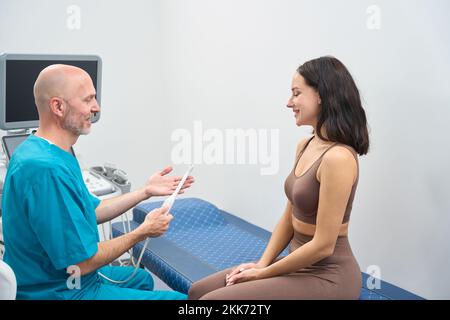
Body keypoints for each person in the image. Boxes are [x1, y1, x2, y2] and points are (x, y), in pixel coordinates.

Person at [2, 64, 194, 300]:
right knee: (183, 302)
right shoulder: (46, 169)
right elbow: (82, 263)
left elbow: (91, 211)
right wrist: (142, 232)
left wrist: (145, 191)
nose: (96, 108)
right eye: (88, 99)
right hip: (61, 291)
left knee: (142, 279)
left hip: (61, 279)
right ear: (58, 106)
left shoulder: (46, 150)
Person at [188, 56, 369, 300]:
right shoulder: (305, 145)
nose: (289, 102)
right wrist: (262, 264)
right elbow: (288, 218)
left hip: (329, 276)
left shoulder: (338, 158)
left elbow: (324, 245)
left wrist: (264, 274)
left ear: (321, 96)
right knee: (197, 292)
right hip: (298, 265)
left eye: (296, 93)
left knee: (212, 302)